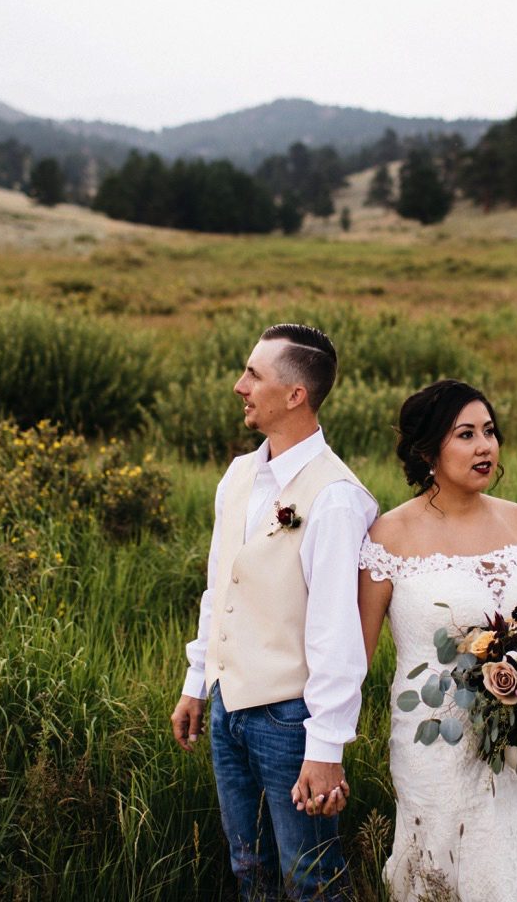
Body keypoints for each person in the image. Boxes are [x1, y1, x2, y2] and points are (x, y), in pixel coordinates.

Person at [171, 324, 378, 900]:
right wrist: (197, 682)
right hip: (227, 707)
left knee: (310, 876)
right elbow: (221, 589)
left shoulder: (336, 498)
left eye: (253, 375)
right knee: (248, 869)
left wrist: (326, 747)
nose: (240, 386)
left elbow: (339, 634)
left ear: (296, 395)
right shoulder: (239, 475)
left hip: (291, 721)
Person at [358, 379, 517, 901]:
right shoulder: (390, 536)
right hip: (437, 739)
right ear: (428, 449)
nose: (485, 447)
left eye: (490, 432)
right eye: (466, 434)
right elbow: (354, 658)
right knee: (441, 872)